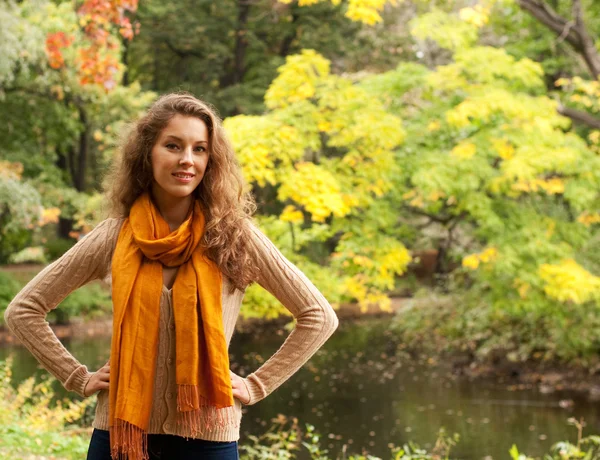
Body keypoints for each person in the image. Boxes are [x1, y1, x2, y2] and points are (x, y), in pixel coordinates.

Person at [4, 92, 339, 460]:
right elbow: (24, 310)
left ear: (211, 160)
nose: (186, 160)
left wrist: (256, 385)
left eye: (200, 149)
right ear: (148, 154)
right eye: (173, 146)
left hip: (208, 437)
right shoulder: (115, 235)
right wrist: (77, 376)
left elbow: (318, 316)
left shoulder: (234, 235)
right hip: (120, 434)